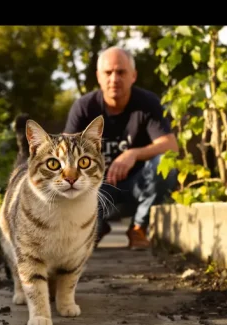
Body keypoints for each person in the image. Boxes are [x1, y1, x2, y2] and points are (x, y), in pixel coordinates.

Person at [63, 46, 179, 250]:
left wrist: (133, 154)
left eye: (121, 72)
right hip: (97, 192)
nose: (114, 79)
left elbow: (171, 146)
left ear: (133, 76)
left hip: (139, 187)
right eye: (108, 73)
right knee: (82, 243)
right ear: (99, 76)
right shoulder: (84, 107)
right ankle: (96, 227)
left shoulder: (147, 103)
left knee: (166, 164)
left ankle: (138, 228)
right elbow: (64, 153)